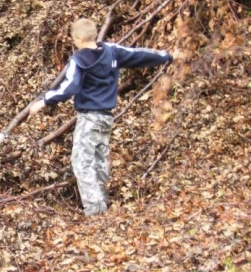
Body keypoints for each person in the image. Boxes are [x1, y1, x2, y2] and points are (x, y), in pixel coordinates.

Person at [29, 18, 173, 217]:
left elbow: (69, 87)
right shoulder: (111, 51)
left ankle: (95, 209)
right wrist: (165, 55)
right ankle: (102, 199)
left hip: (89, 118)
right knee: (98, 159)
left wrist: (44, 101)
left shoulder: (79, 60)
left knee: (81, 161)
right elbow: (139, 55)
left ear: (78, 38)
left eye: (74, 39)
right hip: (106, 118)